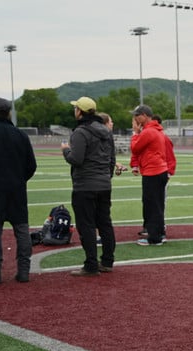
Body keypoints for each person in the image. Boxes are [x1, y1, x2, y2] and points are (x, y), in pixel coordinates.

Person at [61, 97, 117, 277]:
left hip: (85, 185)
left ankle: (91, 264)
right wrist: (105, 177)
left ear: (80, 111)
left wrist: (65, 150)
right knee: (105, 223)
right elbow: (112, 160)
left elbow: (76, 159)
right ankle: (107, 261)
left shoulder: (80, 132)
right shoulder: (106, 132)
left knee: (86, 226)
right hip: (103, 184)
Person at [0, 97, 36, 284]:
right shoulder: (20, 135)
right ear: (8, 112)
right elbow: (31, 165)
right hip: (17, 189)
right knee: (21, 229)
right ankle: (24, 271)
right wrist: (19, 180)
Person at [130, 104, 168, 246]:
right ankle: (159, 234)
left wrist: (135, 134)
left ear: (145, 115)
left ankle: (154, 237)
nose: (135, 118)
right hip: (158, 171)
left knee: (152, 205)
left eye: (137, 115)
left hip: (153, 171)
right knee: (157, 205)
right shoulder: (155, 130)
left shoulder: (149, 131)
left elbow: (135, 148)